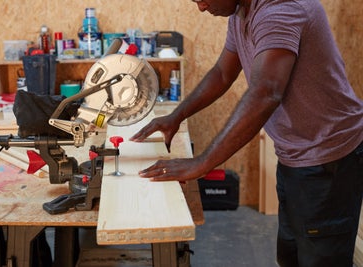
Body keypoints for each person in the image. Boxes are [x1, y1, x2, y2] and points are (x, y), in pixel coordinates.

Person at [130, 0, 363, 266]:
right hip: (294, 155)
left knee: (320, 259)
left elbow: (266, 93)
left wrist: (202, 163)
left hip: (328, 160)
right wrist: (176, 116)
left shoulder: (281, 10)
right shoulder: (241, 13)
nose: (202, 8)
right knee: (291, 255)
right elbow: (221, 73)